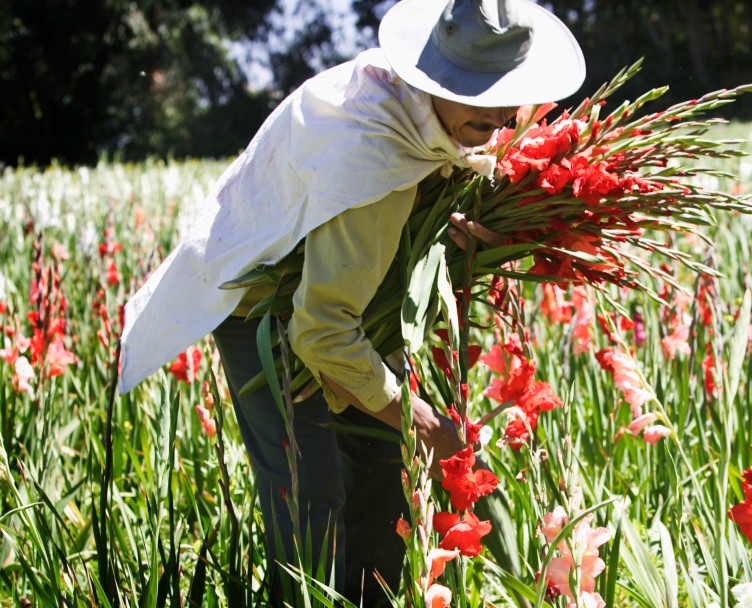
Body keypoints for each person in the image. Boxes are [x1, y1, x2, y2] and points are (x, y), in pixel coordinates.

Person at [117, 0, 585, 604]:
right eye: (480, 90)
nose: (500, 114)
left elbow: (389, 208)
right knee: (312, 493)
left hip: (341, 300)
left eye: (509, 91)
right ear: (435, 76)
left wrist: (446, 220)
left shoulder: (425, 114)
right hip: (267, 312)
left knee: (384, 477)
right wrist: (424, 422)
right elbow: (321, 332)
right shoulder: (375, 152)